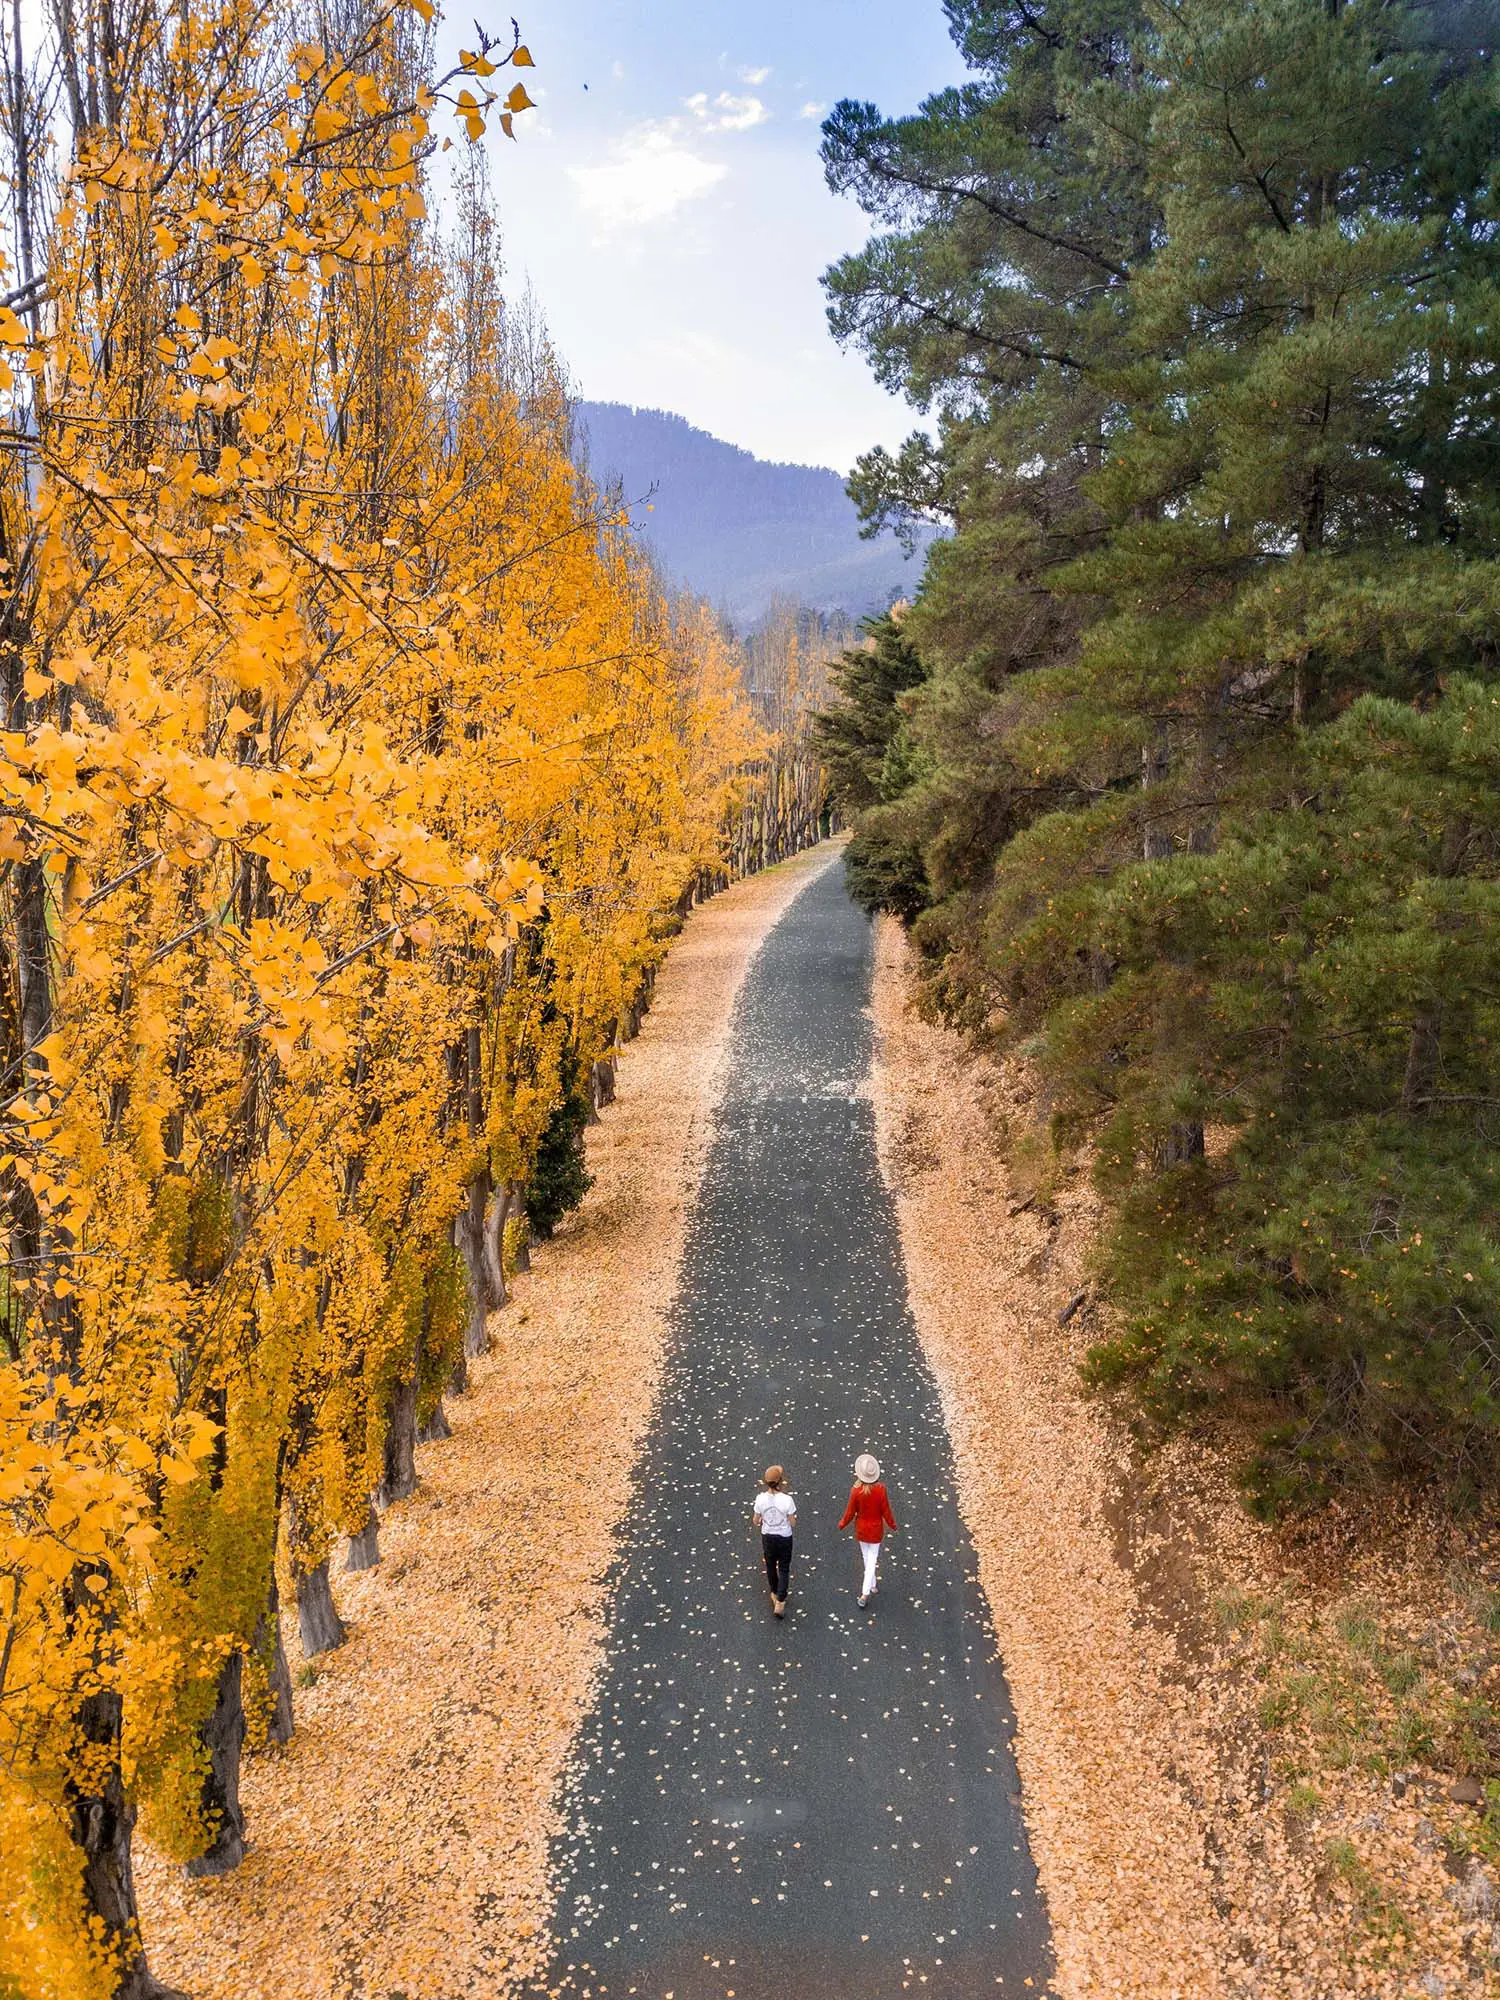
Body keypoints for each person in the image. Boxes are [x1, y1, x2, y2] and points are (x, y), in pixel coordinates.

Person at [838, 1453, 896, 1606]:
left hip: (862, 1529)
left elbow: (850, 1512)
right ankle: (866, 1592)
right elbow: (886, 1511)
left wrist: (842, 1524)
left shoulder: (856, 1491)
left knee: (866, 1557)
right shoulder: (881, 1490)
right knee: (872, 1560)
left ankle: (872, 1585)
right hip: (876, 1530)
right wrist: (892, 1525)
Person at [753, 1465, 796, 1617]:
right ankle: (781, 1600)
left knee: (770, 1565)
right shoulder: (787, 1500)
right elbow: (792, 1522)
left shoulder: (760, 1499)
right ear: (780, 1482)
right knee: (784, 1568)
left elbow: (755, 1521)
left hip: (768, 1537)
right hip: (784, 1537)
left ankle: (774, 1592)